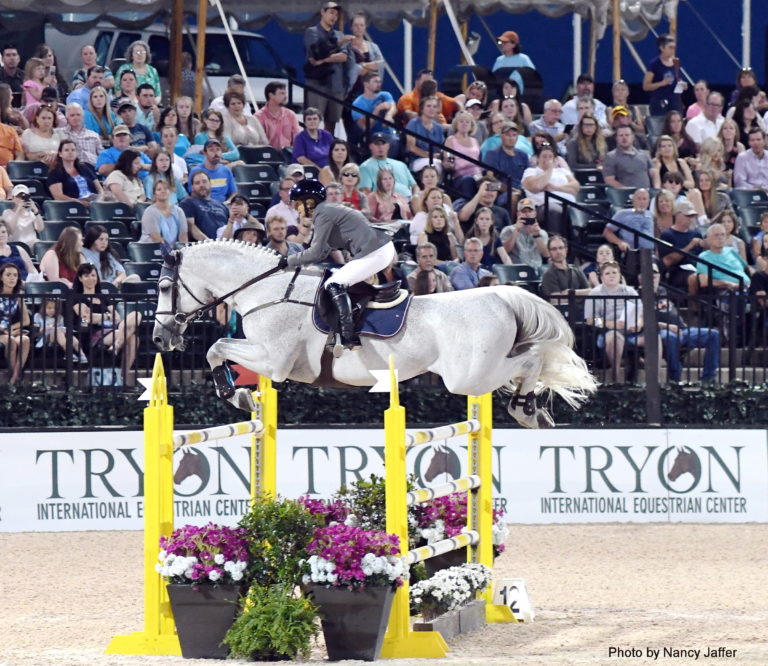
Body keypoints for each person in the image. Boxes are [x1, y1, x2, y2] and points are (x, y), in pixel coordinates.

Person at [285, 179, 397, 349]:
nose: (296, 208)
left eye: (298, 204)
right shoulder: (328, 211)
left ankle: (348, 336)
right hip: (379, 248)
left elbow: (315, 252)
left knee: (334, 284)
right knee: (338, 281)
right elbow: (322, 252)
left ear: (310, 202)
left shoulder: (323, 213)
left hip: (376, 251)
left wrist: (288, 260)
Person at [72, 262, 141, 371]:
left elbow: (117, 317)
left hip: (113, 329)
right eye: (86, 276)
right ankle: (123, 374)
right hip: (93, 333)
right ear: (80, 278)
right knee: (132, 338)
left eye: (93, 275)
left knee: (136, 315)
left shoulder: (103, 298)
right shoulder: (78, 298)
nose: (91, 278)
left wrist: (99, 317)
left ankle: (117, 348)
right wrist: (107, 316)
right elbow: (87, 318)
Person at [584, 261, 643, 382]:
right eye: (607, 273)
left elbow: (642, 313)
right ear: (601, 277)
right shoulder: (595, 293)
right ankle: (616, 379)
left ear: (620, 275)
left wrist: (639, 324)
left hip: (631, 331)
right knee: (615, 337)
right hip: (607, 332)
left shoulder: (630, 291)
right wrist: (609, 324)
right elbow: (590, 320)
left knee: (655, 337)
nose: (611, 275)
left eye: (614, 272)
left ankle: (657, 382)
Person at [303, 1, 350, 133]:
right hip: (317, 83)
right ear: (322, 12)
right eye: (331, 12)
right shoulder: (312, 31)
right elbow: (316, 53)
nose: (334, 17)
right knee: (313, 119)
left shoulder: (339, 34)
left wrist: (323, 59)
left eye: (336, 14)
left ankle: (329, 149)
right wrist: (335, 48)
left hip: (336, 84)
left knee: (332, 122)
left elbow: (343, 56)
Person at [521, 143, 579, 235]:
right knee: (553, 210)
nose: (547, 159)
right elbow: (535, 187)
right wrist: (549, 169)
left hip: (568, 205)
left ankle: (574, 242)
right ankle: (555, 240)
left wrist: (556, 188)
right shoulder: (531, 171)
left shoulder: (562, 171)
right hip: (543, 206)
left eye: (550, 157)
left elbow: (575, 187)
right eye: (544, 156)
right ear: (537, 158)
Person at [659, 199, 706, 291]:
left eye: (692, 216)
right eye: (687, 216)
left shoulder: (696, 234)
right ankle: (693, 304)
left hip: (698, 268)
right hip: (677, 272)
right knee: (693, 278)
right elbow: (667, 261)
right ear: (678, 215)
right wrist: (690, 246)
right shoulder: (667, 235)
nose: (690, 219)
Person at [694, 223, 751, 293]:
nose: (720, 238)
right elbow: (704, 282)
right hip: (727, 292)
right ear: (708, 239)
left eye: (723, 234)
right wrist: (728, 284)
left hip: (748, 288)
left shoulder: (731, 251)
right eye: (716, 235)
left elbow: (747, 268)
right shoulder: (704, 257)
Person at [358, 132, 417, 198]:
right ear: (370, 146)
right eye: (377, 144)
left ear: (388, 146)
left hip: (408, 202)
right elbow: (365, 192)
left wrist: (415, 198)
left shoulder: (401, 164)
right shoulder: (365, 167)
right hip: (384, 204)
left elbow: (415, 186)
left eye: (383, 144)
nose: (380, 147)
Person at [499, 198, 548, 274]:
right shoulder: (508, 230)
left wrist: (536, 236)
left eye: (530, 211)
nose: (527, 214)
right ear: (518, 214)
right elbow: (505, 251)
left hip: (537, 271)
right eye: (523, 211)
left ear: (535, 213)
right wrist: (516, 230)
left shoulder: (541, 232)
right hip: (517, 272)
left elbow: (546, 254)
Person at [46, 138, 101, 206]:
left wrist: (101, 200)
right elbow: (58, 196)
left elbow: (99, 188)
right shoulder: (55, 173)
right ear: (60, 154)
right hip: (74, 205)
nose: (70, 152)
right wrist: (80, 202)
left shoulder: (85, 167)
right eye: (66, 150)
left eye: (73, 150)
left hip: (94, 201)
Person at [0, 262, 30, 384]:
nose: (12, 278)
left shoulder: (19, 296)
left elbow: (26, 320)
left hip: (10, 331)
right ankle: (14, 378)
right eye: (8, 275)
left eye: (15, 275)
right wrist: (4, 329)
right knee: (11, 341)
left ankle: (14, 378)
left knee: (25, 340)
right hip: (1, 331)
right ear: (1, 277)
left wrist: (11, 328)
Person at [34, 297, 88, 364]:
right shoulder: (38, 316)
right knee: (57, 330)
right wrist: (49, 327)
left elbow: (62, 329)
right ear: (43, 307)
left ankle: (82, 354)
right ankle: (69, 353)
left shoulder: (60, 317)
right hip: (45, 339)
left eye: (55, 309)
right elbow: (38, 331)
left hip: (60, 338)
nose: (52, 310)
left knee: (68, 334)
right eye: (49, 308)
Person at [139, 179, 189, 252]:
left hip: (173, 251)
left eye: (166, 189)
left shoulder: (179, 211)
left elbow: (183, 237)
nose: (163, 191)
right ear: (154, 194)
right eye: (159, 189)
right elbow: (156, 238)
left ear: (170, 192)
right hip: (151, 250)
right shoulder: (149, 212)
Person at [603, 188, 654, 256]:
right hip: (630, 253)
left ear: (648, 202)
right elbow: (607, 232)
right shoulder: (622, 214)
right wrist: (619, 242)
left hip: (650, 253)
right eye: (639, 199)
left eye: (644, 199)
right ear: (633, 200)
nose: (642, 202)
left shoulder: (651, 215)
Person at [642, 34, 685, 116]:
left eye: (674, 48)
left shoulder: (675, 62)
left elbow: (678, 79)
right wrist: (662, 83)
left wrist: (682, 84)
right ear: (662, 48)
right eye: (670, 47)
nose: (673, 50)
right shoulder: (654, 64)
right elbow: (646, 86)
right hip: (659, 102)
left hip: (674, 102)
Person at [345, 12, 384, 100]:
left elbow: (380, 64)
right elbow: (351, 69)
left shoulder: (373, 47)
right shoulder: (346, 47)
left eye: (361, 25)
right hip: (352, 92)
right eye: (356, 25)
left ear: (365, 27)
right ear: (351, 27)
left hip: (370, 92)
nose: (359, 28)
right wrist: (370, 67)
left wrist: (363, 65)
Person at [179, 171, 229, 240]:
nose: (201, 185)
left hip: (224, 245)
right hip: (202, 247)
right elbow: (191, 227)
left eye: (204, 181)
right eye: (197, 183)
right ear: (192, 187)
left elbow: (231, 226)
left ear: (210, 184)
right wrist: (209, 243)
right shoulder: (187, 203)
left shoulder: (222, 206)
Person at [540, 234, 590, 300]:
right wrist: (581, 296)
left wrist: (572, 293)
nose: (558, 252)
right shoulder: (548, 275)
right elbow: (557, 301)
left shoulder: (576, 270)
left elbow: (590, 292)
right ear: (549, 252)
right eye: (554, 249)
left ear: (566, 250)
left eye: (561, 248)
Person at [443, 111, 482, 196]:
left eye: (467, 122)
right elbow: (448, 160)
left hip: (478, 175)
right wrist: (449, 164)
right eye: (461, 121)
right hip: (460, 176)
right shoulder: (451, 140)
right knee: (468, 180)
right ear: (456, 124)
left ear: (471, 126)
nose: (464, 124)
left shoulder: (475, 141)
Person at [256, 81, 301, 152]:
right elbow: (257, 142)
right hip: (267, 156)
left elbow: (297, 139)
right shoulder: (258, 116)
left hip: (288, 155)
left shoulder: (290, 115)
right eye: (281, 93)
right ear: (271, 95)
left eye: (285, 93)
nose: (285, 97)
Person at [405, 96, 445, 173]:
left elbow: (442, 147)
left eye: (434, 106)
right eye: (428, 106)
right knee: (435, 166)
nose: (432, 109)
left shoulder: (439, 127)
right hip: (417, 159)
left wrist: (440, 155)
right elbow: (411, 147)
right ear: (422, 108)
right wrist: (430, 156)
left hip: (436, 159)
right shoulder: (413, 124)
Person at [351, 71, 396, 139]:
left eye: (380, 82)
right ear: (366, 84)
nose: (379, 84)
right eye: (375, 82)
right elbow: (364, 128)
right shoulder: (357, 104)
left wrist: (389, 115)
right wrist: (377, 109)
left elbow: (393, 106)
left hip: (389, 134)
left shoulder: (385, 94)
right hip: (372, 138)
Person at [491, 30, 535, 95]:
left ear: (513, 44)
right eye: (500, 42)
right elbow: (494, 78)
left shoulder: (523, 58)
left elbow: (533, 77)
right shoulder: (499, 60)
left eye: (505, 42)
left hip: (521, 96)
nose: (502, 44)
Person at [2, 184, 43, 249]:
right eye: (18, 196)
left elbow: (40, 229)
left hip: (32, 246)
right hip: (16, 246)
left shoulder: (31, 214)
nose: (21, 199)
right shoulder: (7, 213)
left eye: (24, 197)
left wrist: (36, 211)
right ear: (13, 198)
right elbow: (10, 230)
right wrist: (18, 209)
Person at [62, 102, 102, 167]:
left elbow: (101, 157)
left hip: (92, 169)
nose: (76, 118)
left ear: (83, 117)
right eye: (72, 115)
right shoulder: (61, 133)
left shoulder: (94, 135)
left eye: (78, 115)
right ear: (67, 118)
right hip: (69, 169)